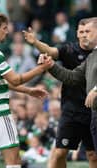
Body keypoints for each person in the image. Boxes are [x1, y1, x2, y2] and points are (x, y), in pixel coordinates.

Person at [0, 10, 52, 168]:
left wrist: (28, 91)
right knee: (14, 162)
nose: (7, 32)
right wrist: (41, 69)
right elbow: (15, 79)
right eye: (4, 28)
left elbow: (0, 82)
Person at [23, 18, 97, 168]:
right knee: (59, 153)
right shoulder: (72, 50)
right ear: (76, 33)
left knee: (93, 155)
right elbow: (71, 76)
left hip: (93, 111)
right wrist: (38, 45)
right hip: (72, 110)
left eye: (87, 31)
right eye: (81, 32)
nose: (84, 35)